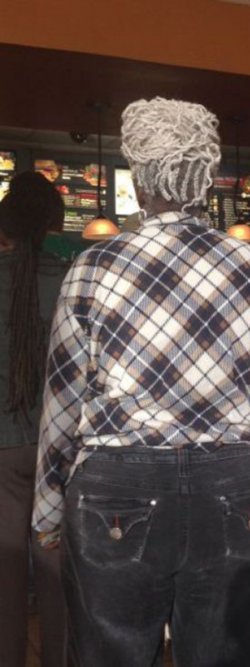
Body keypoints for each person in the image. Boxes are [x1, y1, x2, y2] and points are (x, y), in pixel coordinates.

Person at [33, 97, 250, 667]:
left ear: (139, 181)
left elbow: (63, 406)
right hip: (236, 485)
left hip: (115, 488)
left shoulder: (93, 267)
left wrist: (46, 511)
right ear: (207, 179)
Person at [0, 171, 68, 667]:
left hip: (2, 451)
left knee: (4, 568)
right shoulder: (72, 280)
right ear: (51, 225)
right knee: (56, 568)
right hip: (58, 448)